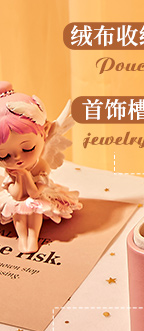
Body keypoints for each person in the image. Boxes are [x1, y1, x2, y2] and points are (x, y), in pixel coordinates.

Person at [0, 82, 81, 252]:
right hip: (18, 197)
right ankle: (23, 237)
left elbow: (35, 193)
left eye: (28, 148)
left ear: (45, 132)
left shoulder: (40, 165)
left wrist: (24, 175)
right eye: (3, 156)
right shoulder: (11, 170)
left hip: (38, 194)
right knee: (18, 207)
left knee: (34, 206)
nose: (17, 159)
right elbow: (16, 194)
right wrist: (19, 179)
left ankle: (32, 237)